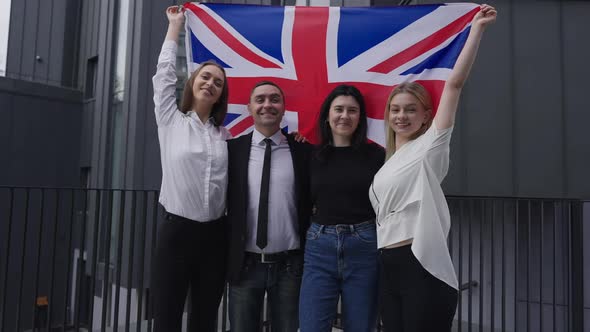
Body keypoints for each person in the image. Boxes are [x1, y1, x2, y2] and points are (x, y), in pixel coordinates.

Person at [369, 4, 497, 332]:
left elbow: (454, 85)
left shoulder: (431, 146)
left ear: (426, 115)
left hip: (421, 266)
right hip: (388, 266)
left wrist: (476, 30)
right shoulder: (387, 162)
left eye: (411, 109)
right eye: (395, 110)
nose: (401, 116)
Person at [150, 5, 231, 332]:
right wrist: (175, 27)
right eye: (205, 77)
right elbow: (164, 75)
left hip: (215, 237)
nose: (211, 83)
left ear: (221, 94)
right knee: (167, 318)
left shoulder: (225, 136)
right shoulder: (171, 121)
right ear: (193, 82)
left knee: (205, 320)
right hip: (177, 233)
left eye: (218, 82)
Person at [226, 81, 312, 332]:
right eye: (260, 99)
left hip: (290, 266)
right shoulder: (231, 150)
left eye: (274, 99)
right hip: (245, 264)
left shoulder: (303, 152)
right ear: (250, 107)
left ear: (283, 108)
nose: (267, 105)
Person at [299, 85, 385, 332]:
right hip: (319, 247)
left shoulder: (377, 156)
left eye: (352, 110)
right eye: (339, 109)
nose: (344, 116)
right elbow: (303, 201)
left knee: (360, 326)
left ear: (360, 117)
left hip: (364, 247)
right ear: (327, 115)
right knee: (311, 326)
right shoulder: (311, 155)